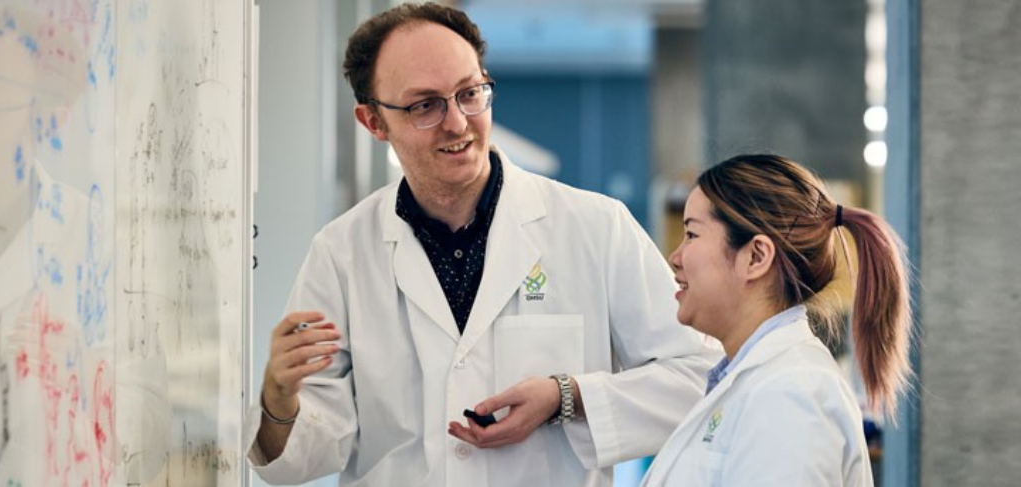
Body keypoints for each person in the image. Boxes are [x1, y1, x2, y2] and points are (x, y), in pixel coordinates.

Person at [244, 3, 718, 486]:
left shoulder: (596, 228)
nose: (457, 122)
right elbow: (298, 464)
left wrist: (565, 396)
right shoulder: (342, 253)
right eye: (424, 105)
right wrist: (279, 397)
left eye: (469, 93)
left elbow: (702, 376)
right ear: (373, 122)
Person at [640, 154, 913, 486]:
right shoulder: (763, 382)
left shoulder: (792, 394)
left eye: (692, 235)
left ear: (756, 257)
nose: (675, 257)